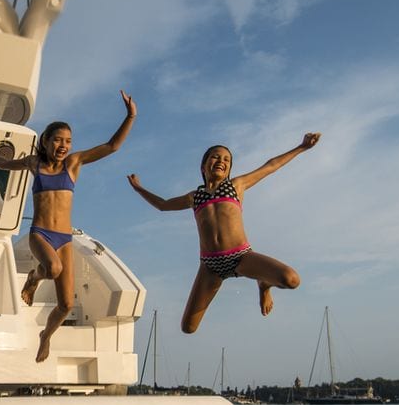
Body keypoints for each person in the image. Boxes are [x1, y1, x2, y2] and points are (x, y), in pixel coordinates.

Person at [0, 91, 137, 362]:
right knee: (54, 268)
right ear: (45, 141)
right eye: (58, 139)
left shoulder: (74, 163)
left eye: (68, 141)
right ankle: (34, 277)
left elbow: (112, 146)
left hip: (65, 238)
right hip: (41, 234)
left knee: (66, 304)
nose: (64, 145)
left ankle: (46, 335)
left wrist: (130, 116)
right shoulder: (36, 164)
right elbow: (6, 163)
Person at [127, 133, 320, 333]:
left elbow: (271, 166)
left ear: (229, 169)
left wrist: (302, 147)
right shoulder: (195, 197)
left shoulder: (236, 185)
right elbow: (163, 205)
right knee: (188, 328)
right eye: (215, 157)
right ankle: (260, 282)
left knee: (291, 280)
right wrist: (139, 189)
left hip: (241, 257)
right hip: (210, 266)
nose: (221, 161)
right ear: (203, 167)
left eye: (226, 159)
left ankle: (264, 284)